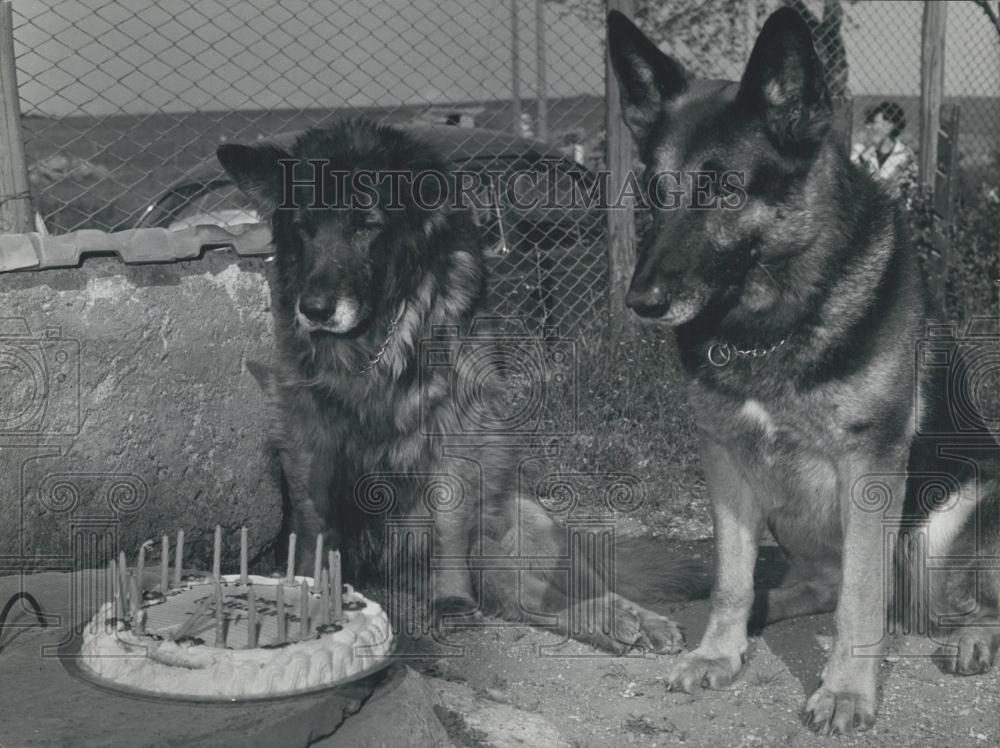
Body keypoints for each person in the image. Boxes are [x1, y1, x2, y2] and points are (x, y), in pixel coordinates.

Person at [851, 101, 917, 196]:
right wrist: (868, 152)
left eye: (874, 122)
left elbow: (910, 189)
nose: (868, 127)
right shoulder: (859, 150)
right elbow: (850, 173)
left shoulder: (904, 155)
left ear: (889, 126)